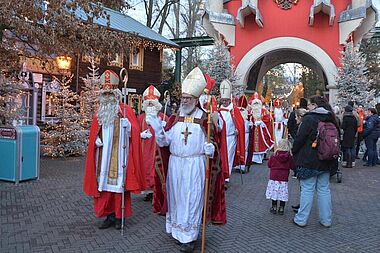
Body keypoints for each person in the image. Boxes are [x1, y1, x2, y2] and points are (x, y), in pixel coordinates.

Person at [146, 67, 226, 253]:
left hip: (194, 165)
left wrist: (211, 148)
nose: (184, 101)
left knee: (192, 199)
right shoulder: (176, 117)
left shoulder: (205, 118)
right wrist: (158, 130)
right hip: (175, 164)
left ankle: (189, 237)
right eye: (183, 98)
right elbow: (165, 143)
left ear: (196, 100)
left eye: (188, 99)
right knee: (176, 198)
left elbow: (216, 142)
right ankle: (177, 232)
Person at [83, 70, 146, 230]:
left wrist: (129, 126)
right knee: (104, 187)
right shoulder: (100, 112)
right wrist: (96, 140)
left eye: (110, 93)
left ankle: (119, 217)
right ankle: (109, 216)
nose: (107, 96)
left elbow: (136, 134)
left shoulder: (125, 111)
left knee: (119, 188)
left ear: (116, 93)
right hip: (103, 156)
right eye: (105, 93)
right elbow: (94, 133)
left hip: (120, 157)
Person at [292, 95, 337, 228]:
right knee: (324, 189)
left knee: (307, 189)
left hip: (309, 160)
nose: (308, 107)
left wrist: (294, 151)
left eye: (310, 105)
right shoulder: (331, 118)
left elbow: (299, 139)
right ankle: (326, 220)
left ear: (315, 106)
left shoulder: (309, 118)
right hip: (326, 159)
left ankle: (301, 219)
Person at [137, 85, 166, 202]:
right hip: (144, 153)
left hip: (157, 152)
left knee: (157, 170)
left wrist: (165, 128)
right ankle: (149, 192)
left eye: (152, 104)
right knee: (146, 170)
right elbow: (132, 134)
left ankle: (157, 192)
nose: (150, 106)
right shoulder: (139, 118)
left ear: (157, 105)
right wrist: (140, 135)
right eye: (148, 104)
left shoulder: (164, 118)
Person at [218, 79, 245, 184]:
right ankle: (221, 174)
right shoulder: (218, 110)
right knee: (221, 156)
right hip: (221, 138)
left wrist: (238, 130)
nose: (224, 102)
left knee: (228, 156)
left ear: (229, 100)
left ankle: (227, 176)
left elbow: (240, 123)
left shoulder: (234, 110)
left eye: (226, 101)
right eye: (223, 100)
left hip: (230, 138)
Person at [266, 139, 295, 215]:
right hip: (283, 177)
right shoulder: (289, 156)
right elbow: (292, 166)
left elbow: (269, 165)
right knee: (283, 192)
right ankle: (281, 208)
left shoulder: (274, 155)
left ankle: (274, 206)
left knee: (274, 192)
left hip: (274, 176)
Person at [246, 92, 274, 164]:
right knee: (251, 144)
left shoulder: (264, 111)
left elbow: (268, 119)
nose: (256, 105)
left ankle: (259, 159)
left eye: (257, 103)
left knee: (260, 144)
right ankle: (251, 158)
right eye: (254, 104)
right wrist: (250, 122)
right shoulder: (250, 111)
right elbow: (247, 118)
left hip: (260, 130)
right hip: (252, 129)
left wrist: (262, 122)